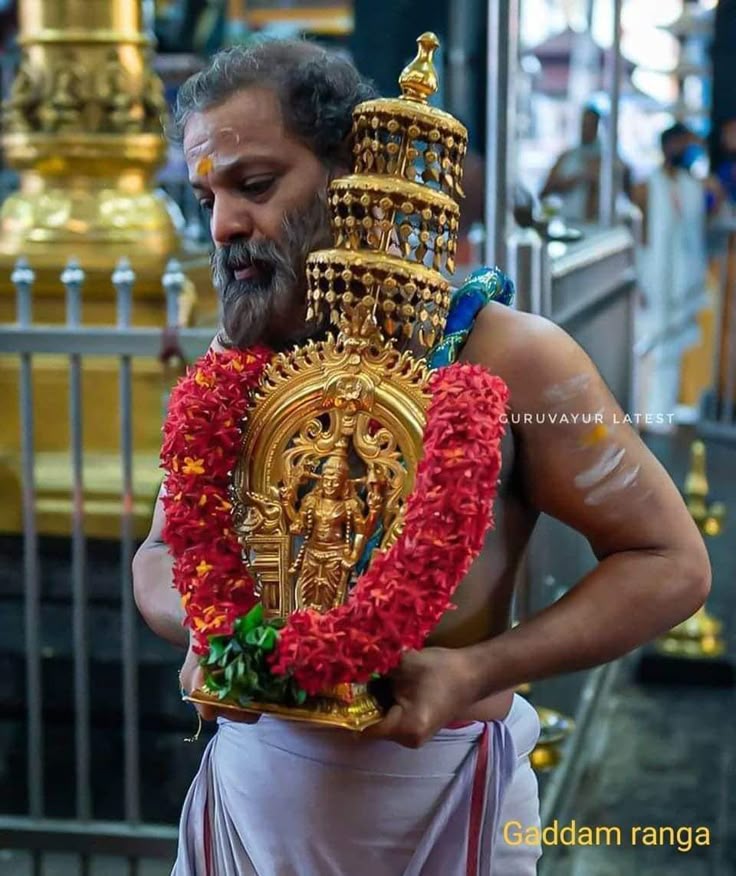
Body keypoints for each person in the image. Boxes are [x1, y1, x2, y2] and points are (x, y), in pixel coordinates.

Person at [133, 41, 711, 875]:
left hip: (442, 797)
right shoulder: (238, 365)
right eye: (207, 195)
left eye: (254, 185)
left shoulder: (511, 356)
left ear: (350, 172)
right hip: (248, 796)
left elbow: (670, 563)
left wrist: (473, 667)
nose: (223, 223)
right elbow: (159, 555)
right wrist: (218, 635)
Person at [633, 122, 708, 427]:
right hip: (652, 275)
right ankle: (644, 412)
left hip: (681, 278)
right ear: (667, 145)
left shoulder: (693, 186)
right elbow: (639, 235)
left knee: (674, 349)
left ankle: (663, 413)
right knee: (650, 344)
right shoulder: (646, 186)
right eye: (680, 143)